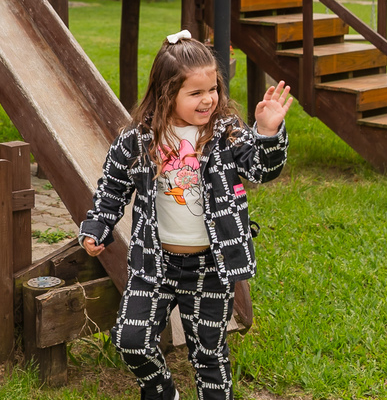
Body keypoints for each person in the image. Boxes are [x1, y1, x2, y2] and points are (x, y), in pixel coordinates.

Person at [79, 30, 292, 400]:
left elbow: (261, 169)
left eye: (212, 89)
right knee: (132, 340)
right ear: (167, 93)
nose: (208, 99)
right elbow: (112, 187)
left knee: (210, 355)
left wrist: (267, 132)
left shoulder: (226, 133)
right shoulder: (138, 140)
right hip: (154, 264)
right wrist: (98, 225)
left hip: (210, 266)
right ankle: (162, 391)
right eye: (195, 93)